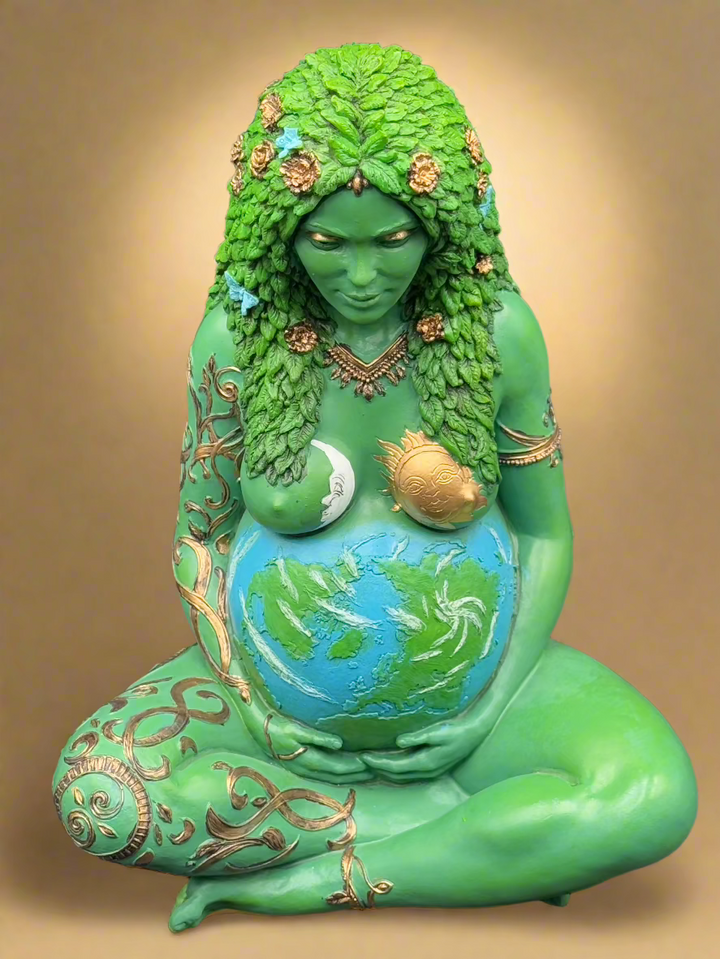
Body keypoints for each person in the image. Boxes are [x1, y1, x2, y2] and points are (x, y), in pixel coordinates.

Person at [53, 42, 697, 932]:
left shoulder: (499, 336)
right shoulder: (233, 341)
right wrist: (254, 707)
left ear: (444, 226)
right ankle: (451, 833)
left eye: (393, 240)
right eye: (328, 242)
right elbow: (200, 537)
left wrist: (487, 711)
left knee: (651, 794)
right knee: (100, 793)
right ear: (279, 231)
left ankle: (331, 873)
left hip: (481, 705)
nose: (362, 276)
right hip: (277, 723)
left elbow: (545, 533)